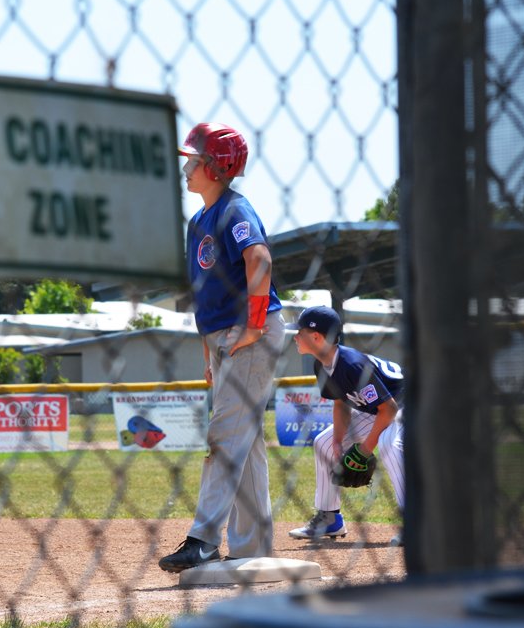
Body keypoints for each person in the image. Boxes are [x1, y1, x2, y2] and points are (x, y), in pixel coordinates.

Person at [158, 123, 285, 573]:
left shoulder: (234, 210)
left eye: (193, 161)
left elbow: (260, 259)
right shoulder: (199, 222)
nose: (186, 169)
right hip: (221, 336)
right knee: (243, 441)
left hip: (249, 332)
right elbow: (204, 294)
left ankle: (204, 539)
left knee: (225, 436)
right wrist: (206, 353)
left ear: (215, 166)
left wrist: (253, 325)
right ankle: (253, 546)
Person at [286, 305, 405, 546]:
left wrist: (365, 449)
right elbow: (341, 403)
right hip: (379, 409)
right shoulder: (321, 364)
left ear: (316, 337)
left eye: (300, 332)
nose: (295, 337)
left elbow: (389, 409)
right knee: (323, 444)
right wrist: (338, 442)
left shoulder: (351, 364)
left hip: (406, 403)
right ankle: (329, 518)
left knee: (388, 446)